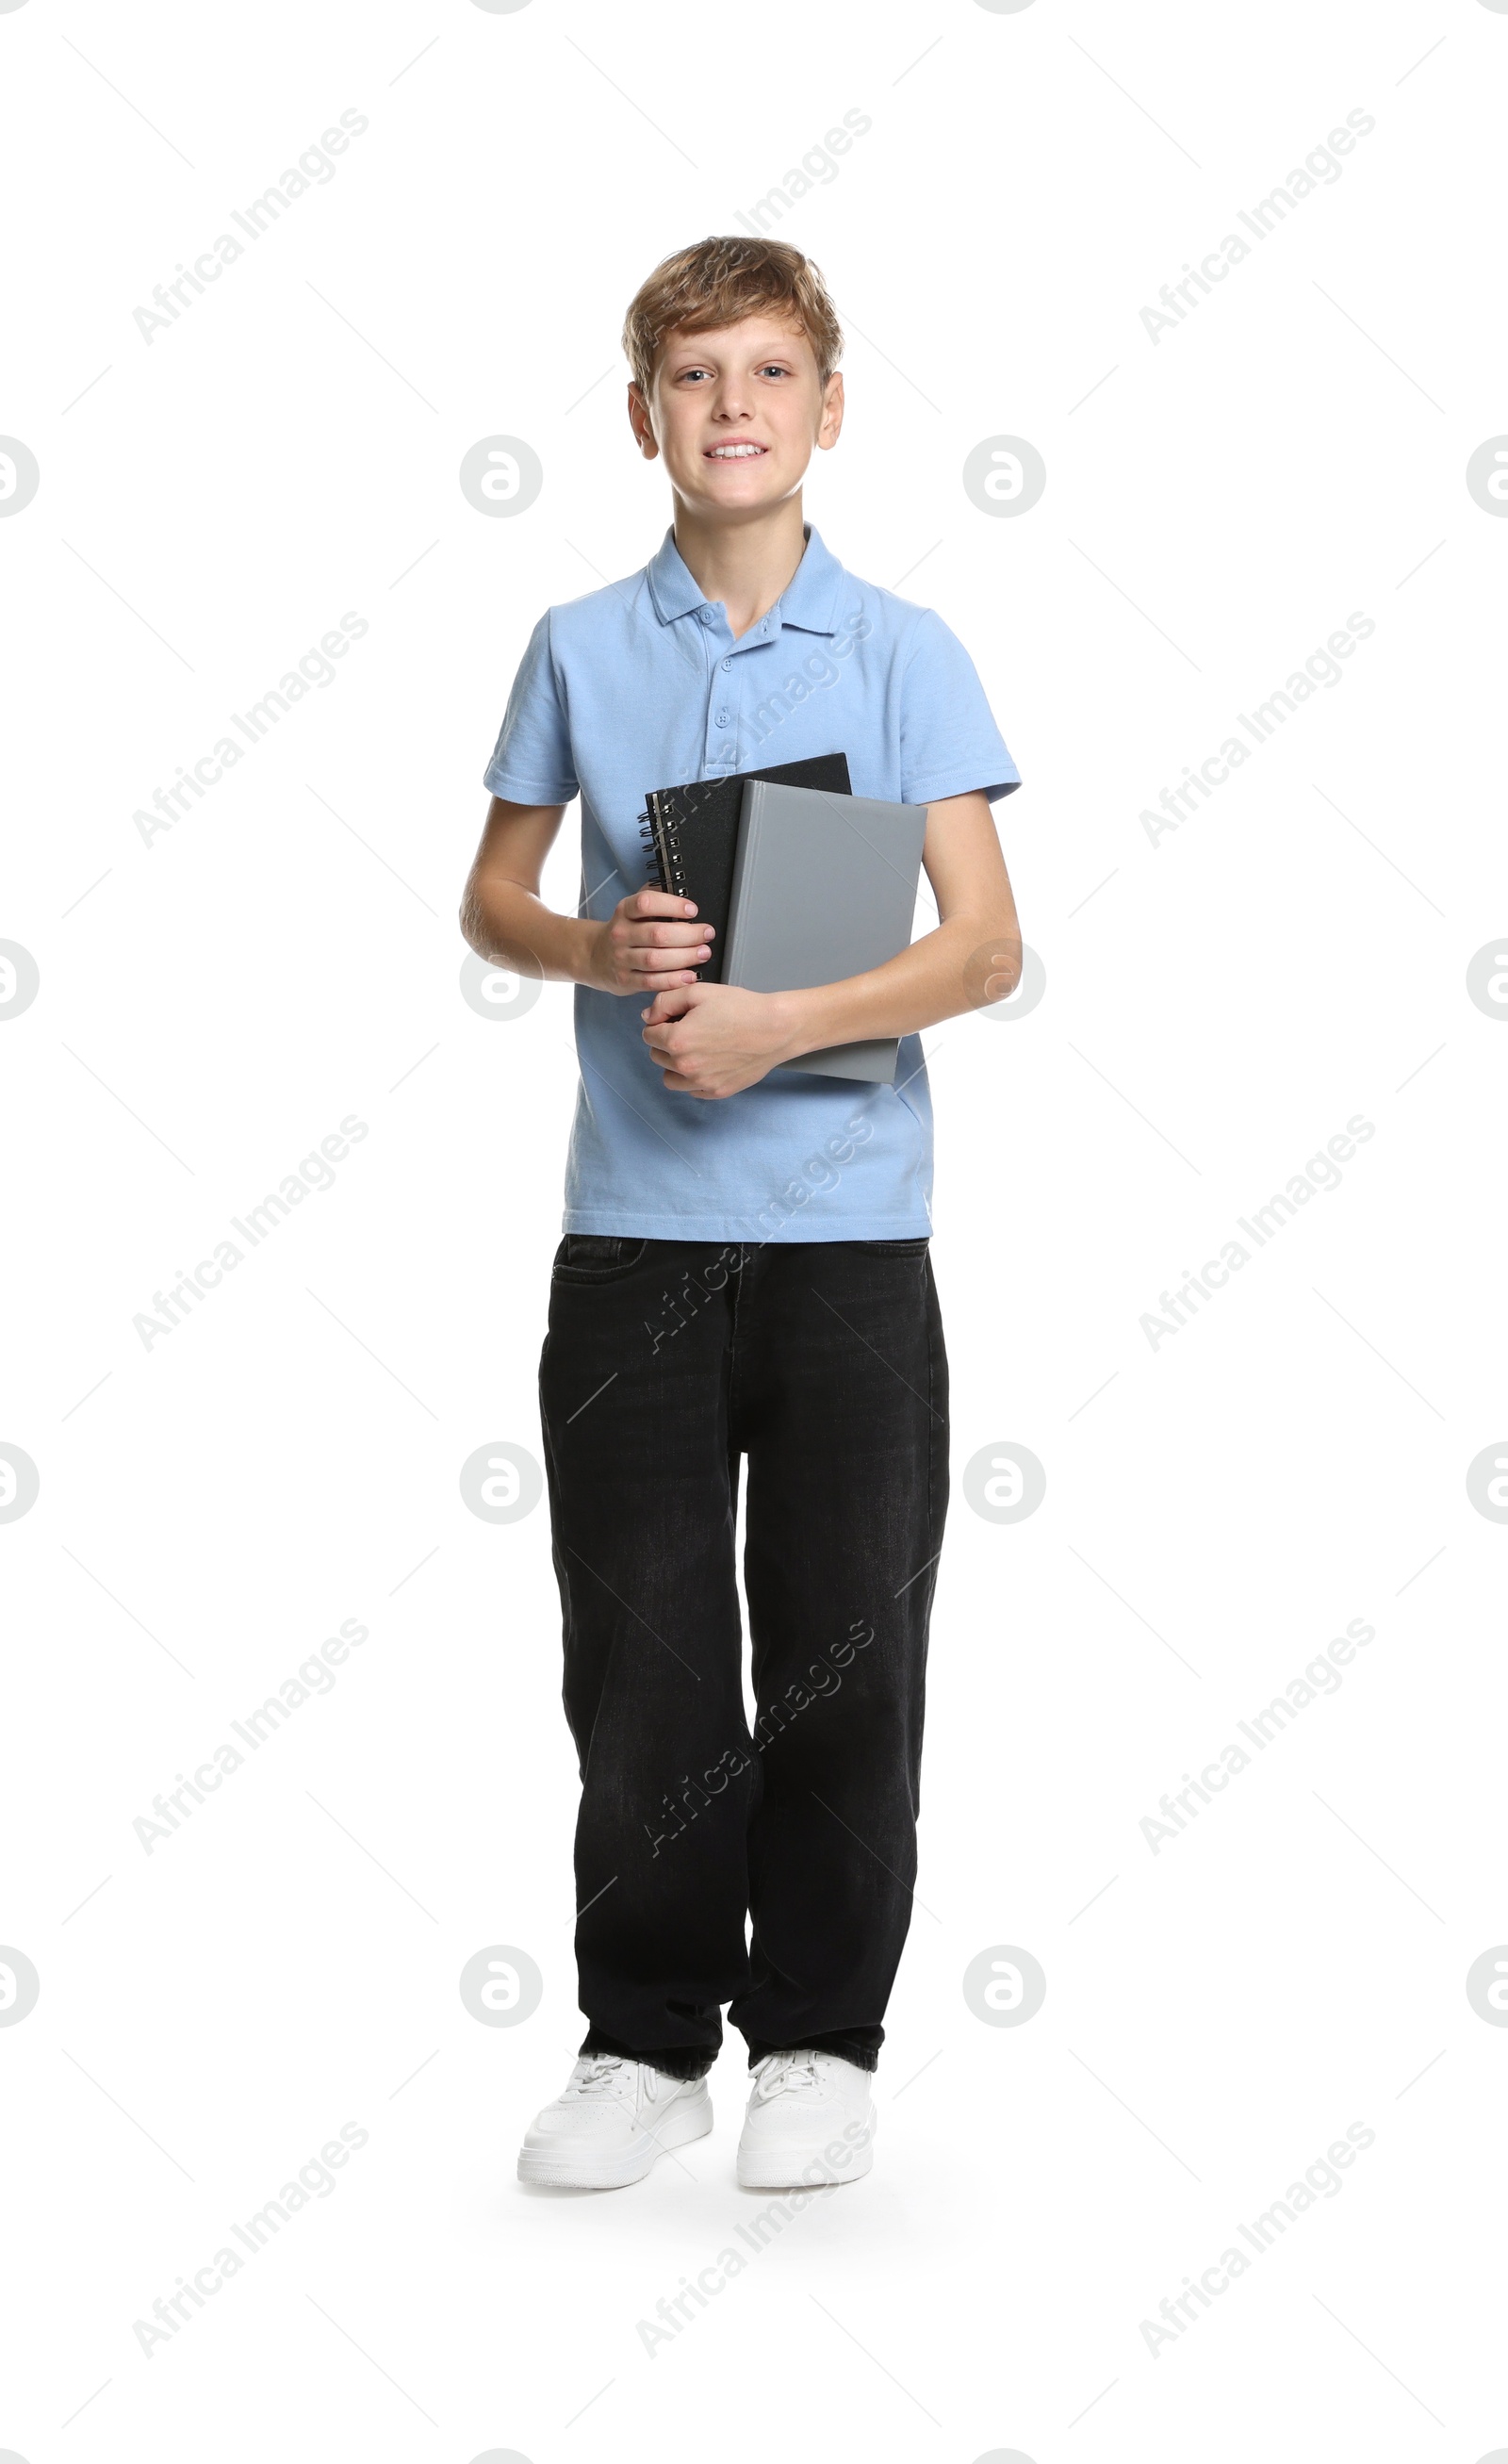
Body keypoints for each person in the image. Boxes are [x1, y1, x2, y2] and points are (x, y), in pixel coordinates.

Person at [460, 234, 1022, 2193]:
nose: (731, 409)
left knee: (844, 1643)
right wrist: (597, 947)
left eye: (769, 374)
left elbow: (981, 949)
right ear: (643, 414)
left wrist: (785, 1014)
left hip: (852, 1230)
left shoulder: (899, 649)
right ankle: (642, 2038)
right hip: (627, 1232)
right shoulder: (575, 644)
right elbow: (490, 900)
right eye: (695, 377)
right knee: (640, 1651)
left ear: (827, 408)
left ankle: (816, 2038)